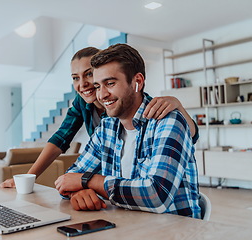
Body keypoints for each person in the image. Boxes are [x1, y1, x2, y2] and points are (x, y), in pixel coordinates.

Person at [0, 47, 198, 188]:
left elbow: (183, 134)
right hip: (114, 187)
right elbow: (61, 140)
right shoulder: (88, 109)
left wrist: (179, 107)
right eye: (75, 78)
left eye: (89, 75)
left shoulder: (145, 109)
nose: (84, 84)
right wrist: (30, 177)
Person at [54, 44, 201, 219]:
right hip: (125, 226)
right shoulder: (106, 128)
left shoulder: (168, 121)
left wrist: (88, 181)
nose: (101, 95)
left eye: (110, 83)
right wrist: (77, 193)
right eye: (98, 86)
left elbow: (157, 196)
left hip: (174, 230)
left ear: (137, 82)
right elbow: (68, 179)